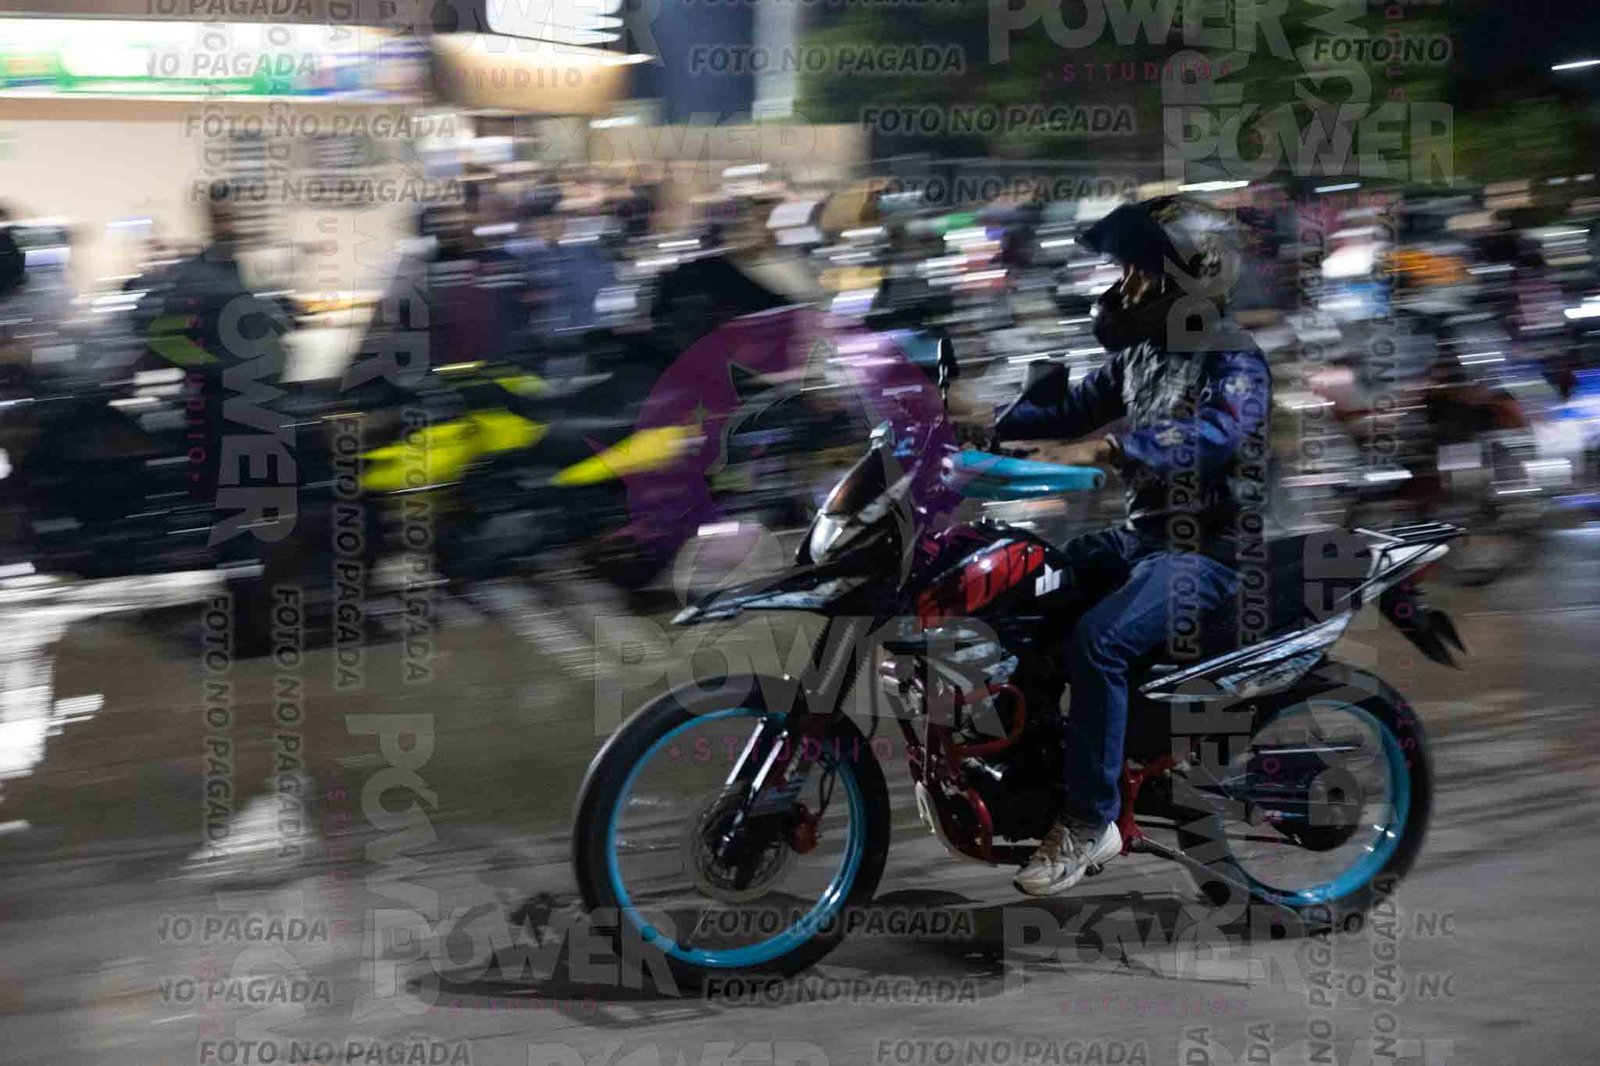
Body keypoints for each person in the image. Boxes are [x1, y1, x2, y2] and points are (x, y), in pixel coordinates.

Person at [991, 196, 1273, 896]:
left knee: (1101, 641)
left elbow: (1218, 433)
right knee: (1021, 582)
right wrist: (978, 421)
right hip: (1143, 539)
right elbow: (1070, 407)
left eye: (1138, 272)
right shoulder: (1142, 355)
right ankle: (1034, 766)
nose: (1124, 287)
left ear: (1188, 279)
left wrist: (1113, 447)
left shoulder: (1233, 357)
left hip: (1209, 552)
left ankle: (1091, 820)